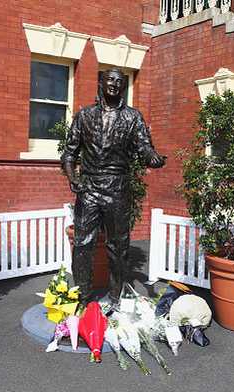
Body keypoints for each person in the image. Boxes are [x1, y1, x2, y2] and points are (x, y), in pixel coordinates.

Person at [61, 68, 165, 304]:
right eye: (110, 79)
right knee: (82, 244)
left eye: (119, 81)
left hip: (118, 188)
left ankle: (116, 297)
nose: (114, 84)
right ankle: (83, 297)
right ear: (101, 82)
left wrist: (153, 158)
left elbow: (144, 147)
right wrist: (73, 179)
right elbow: (69, 154)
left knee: (118, 247)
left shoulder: (132, 117)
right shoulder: (84, 116)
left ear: (123, 87)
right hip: (89, 188)